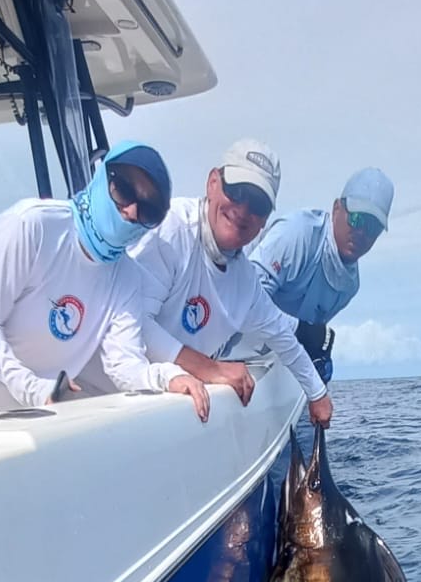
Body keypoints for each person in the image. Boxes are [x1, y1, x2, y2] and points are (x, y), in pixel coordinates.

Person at [0, 142, 206, 421]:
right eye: (123, 189)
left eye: (148, 210)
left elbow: (124, 364)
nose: (132, 211)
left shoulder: (127, 278)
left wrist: (169, 376)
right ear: (101, 177)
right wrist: (33, 389)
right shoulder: (32, 225)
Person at [86, 139, 332, 428]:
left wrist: (318, 394)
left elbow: (283, 338)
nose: (243, 209)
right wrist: (210, 368)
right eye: (237, 191)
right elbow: (130, 323)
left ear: (265, 220)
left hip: (155, 406)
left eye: (258, 204)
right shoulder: (171, 230)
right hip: (93, 403)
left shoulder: (246, 281)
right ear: (212, 182)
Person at [249, 167, 394, 385]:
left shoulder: (350, 286)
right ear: (337, 209)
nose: (362, 232)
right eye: (356, 219)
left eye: (372, 227)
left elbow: (303, 338)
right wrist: (304, 331)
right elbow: (243, 301)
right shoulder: (297, 233)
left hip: (267, 357)